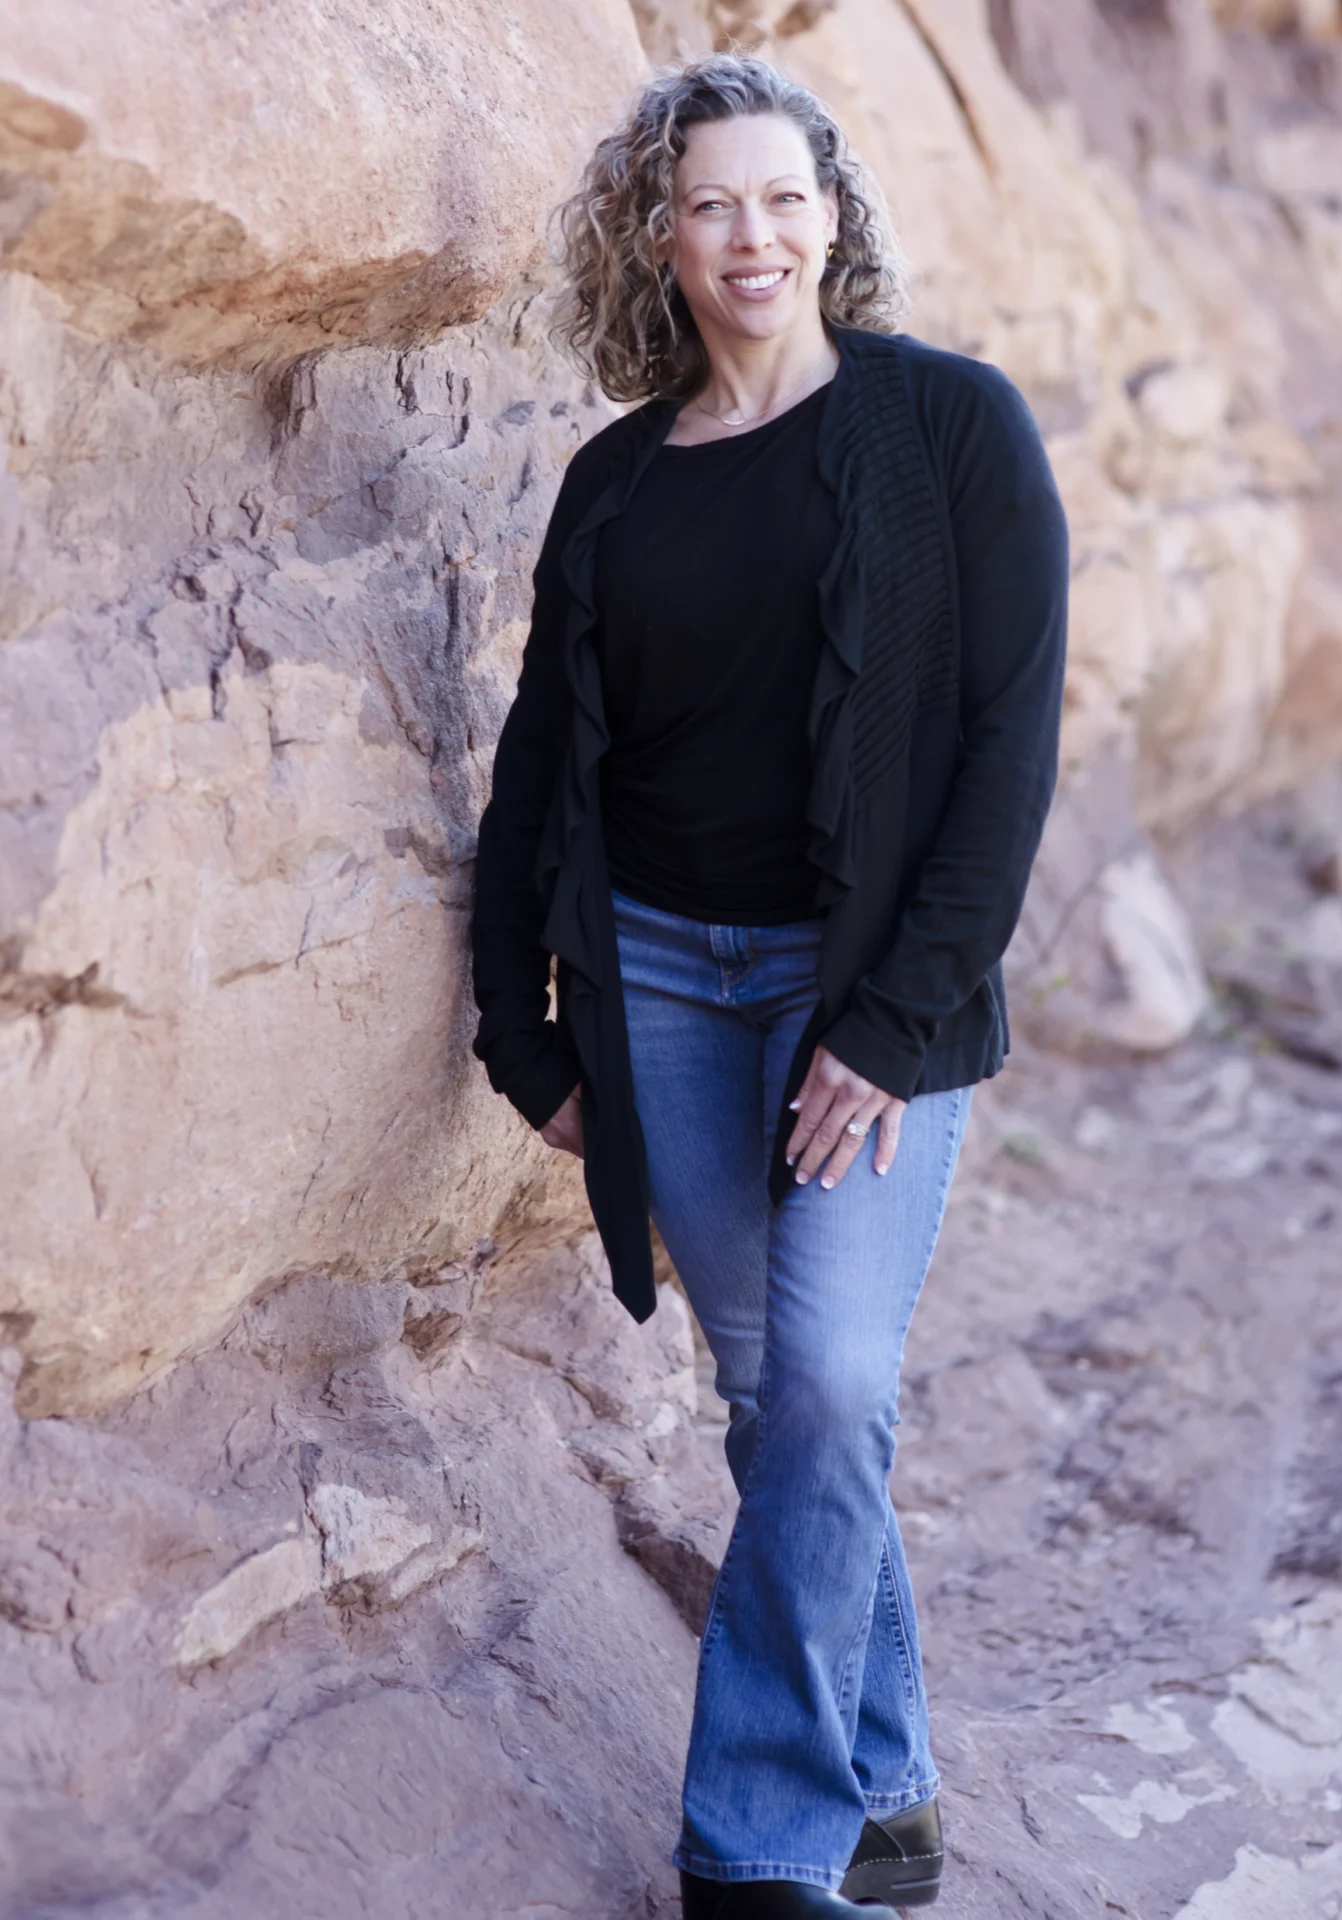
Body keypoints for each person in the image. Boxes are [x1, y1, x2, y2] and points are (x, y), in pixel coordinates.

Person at [472, 52, 1068, 1919]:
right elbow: (537, 767)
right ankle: (882, 1785)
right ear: (656, 235)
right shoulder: (615, 479)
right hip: (655, 976)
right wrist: (520, 1024)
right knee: (773, 1401)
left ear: (836, 212)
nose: (754, 233)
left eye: (784, 195)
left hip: (862, 986)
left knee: (821, 1381)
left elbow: (1006, 749)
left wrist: (885, 1029)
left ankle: (754, 1847)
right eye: (711, 201)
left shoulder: (951, 429)